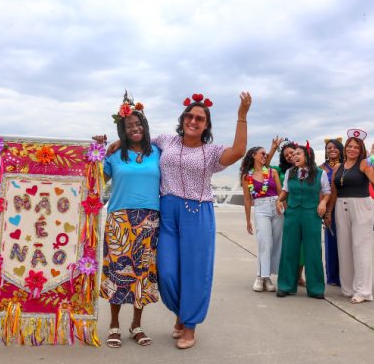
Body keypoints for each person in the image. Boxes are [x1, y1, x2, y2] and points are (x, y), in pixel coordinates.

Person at [155, 92, 251, 349]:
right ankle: (181, 313)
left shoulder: (211, 152)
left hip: (197, 213)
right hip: (167, 212)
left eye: (200, 118)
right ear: (183, 118)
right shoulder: (166, 141)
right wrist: (118, 142)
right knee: (165, 272)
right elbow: (138, 141)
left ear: (206, 125)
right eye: (190, 116)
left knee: (195, 272)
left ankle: (189, 326)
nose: (193, 121)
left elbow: (240, 151)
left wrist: (241, 116)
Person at [99, 93, 160, 348]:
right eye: (128, 126)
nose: (134, 129)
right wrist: (98, 151)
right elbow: (94, 180)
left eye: (138, 124)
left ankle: (136, 324)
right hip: (119, 221)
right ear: (122, 130)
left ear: (144, 127)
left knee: (142, 274)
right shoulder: (113, 155)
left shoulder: (158, 151)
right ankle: (114, 324)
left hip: (150, 219)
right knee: (117, 273)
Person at [326, 130, 374, 304]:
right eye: (349, 146)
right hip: (341, 207)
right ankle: (348, 288)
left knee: (360, 247)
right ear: (345, 149)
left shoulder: (365, 163)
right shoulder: (338, 167)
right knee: (344, 248)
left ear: (361, 150)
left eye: (356, 147)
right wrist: (329, 211)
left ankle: (363, 291)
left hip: (361, 206)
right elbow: (334, 190)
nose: (352, 149)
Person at [275, 144, 330, 299]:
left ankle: (316, 288)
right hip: (292, 213)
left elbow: (327, 192)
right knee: (289, 249)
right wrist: (279, 200)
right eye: (294, 155)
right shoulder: (289, 172)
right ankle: (286, 286)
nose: (294, 157)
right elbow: (286, 190)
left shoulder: (320, 173)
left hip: (311, 214)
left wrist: (323, 203)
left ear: (308, 155)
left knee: (313, 250)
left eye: (298, 154)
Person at [241, 146, 283, 292]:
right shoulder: (247, 176)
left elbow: (280, 192)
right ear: (253, 155)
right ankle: (260, 276)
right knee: (265, 242)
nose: (265, 156)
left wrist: (281, 204)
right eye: (262, 153)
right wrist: (248, 220)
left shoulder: (273, 172)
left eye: (266, 154)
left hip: (276, 208)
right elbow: (247, 200)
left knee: (276, 243)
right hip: (260, 208)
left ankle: (268, 277)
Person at [267, 139, 306, 286]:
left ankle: (299, 275)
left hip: (303, 209)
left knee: (302, 245)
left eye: (291, 152)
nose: (289, 156)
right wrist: (273, 148)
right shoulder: (280, 171)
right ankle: (288, 274)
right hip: (286, 211)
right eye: (286, 155)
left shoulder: (307, 169)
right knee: (288, 245)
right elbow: (265, 166)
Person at [321, 138, 344, 286]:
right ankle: (333, 277)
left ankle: (347, 275)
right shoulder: (321, 168)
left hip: (345, 206)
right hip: (329, 208)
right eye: (329, 148)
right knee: (332, 242)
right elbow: (320, 190)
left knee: (346, 242)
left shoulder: (348, 165)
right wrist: (325, 212)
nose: (332, 150)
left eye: (335, 147)